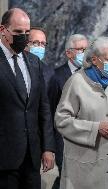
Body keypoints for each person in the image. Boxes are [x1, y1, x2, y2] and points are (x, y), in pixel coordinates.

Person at [55, 36, 108, 189]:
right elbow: (61, 120)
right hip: (85, 166)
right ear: (94, 60)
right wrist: (96, 128)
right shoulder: (76, 82)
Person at [0, 8, 55, 189]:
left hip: (32, 157)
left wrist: (48, 148)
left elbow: (43, 108)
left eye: (26, 32)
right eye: (17, 32)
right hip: (4, 159)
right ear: (3, 30)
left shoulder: (34, 62)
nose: (23, 37)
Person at [48, 33, 88, 189]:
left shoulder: (90, 74)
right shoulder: (56, 76)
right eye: (79, 49)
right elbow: (51, 112)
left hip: (87, 138)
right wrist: (50, 147)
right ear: (68, 53)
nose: (83, 53)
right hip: (64, 140)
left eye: (86, 49)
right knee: (67, 178)